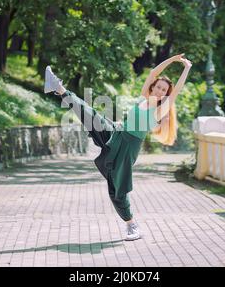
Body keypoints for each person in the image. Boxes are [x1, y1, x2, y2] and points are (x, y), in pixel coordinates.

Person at [44, 54, 192, 240]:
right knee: (92, 116)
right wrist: (172, 60)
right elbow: (154, 72)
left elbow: (177, 89)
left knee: (116, 188)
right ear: (153, 87)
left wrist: (186, 68)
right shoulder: (144, 97)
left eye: (164, 90)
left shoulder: (161, 108)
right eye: (159, 87)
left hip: (128, 147)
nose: (161, 91)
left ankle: (132, 225)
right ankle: (59, 88)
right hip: (118, 131)